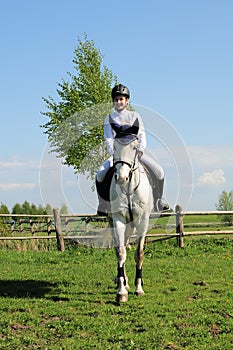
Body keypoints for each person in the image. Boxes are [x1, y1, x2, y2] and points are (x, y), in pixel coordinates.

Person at [96, 83, 169, 215]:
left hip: (135, 153)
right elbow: (108, 138)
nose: (119, 101)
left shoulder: (135, 116)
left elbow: (141, 134)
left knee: (159, 171)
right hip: (118, 155)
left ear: (127, 100)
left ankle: (158, 200)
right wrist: (114, 154)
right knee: (100, 173)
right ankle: (103, 204)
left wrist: (140, 150)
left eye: (121, 99)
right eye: (116, 99)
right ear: (113, 101)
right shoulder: (109, 118)